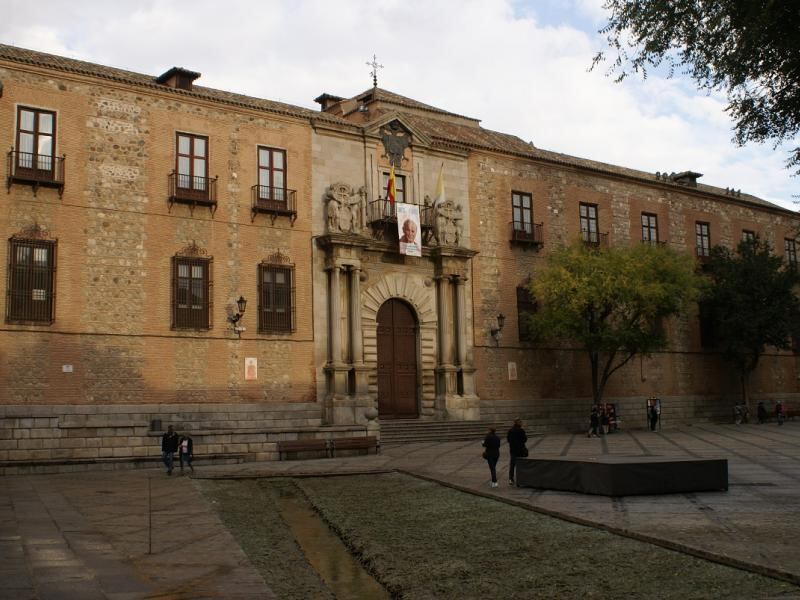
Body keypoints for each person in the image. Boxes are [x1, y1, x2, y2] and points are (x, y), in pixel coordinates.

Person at [506, 419, 528, 485]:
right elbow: (525, 439)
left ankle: (511, 479)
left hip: (513, 450)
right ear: (519, 423)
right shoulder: (521, 430)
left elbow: (508, 440)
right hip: (521, 450)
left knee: (512, 465)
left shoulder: (510, 430)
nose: (521, 423)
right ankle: (521, 478)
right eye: (521, 422)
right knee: (521, 464)